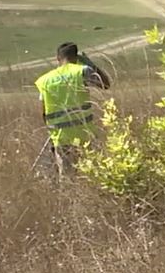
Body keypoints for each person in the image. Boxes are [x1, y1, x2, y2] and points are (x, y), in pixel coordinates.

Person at [33, 42, 110, 177]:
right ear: (76, 57)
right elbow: (105, 84)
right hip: (84, 133)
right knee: (90, 175)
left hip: (60, 136)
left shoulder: (45, 80)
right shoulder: (81, 71)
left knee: (67, 177)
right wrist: (91, 65)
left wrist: (52, 132)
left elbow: (44, 112)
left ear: (57, 58)